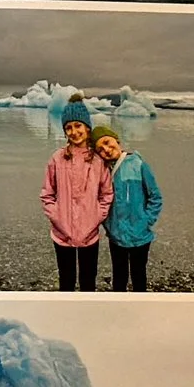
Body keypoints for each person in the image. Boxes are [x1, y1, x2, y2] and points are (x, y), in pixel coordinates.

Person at [40, 100, 112, 290]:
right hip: (62, 235)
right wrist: (57, 217)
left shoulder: (98, 161)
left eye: (78, 125)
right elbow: (47, 194)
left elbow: (106, 194)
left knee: (88, 280)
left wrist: (97, 216)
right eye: (69, 127)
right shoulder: (57, 158)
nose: (74, 131)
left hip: (90, 234)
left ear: (87, 128)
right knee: (66, 280)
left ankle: (86, 317)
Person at [95, 124, 162, 292]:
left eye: (108, 142)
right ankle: (119, 310)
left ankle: (139, 309)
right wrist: (109, 226)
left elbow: (155, 197)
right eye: (100, 149)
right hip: (117, 236)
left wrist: (146, 221)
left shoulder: (138, 164)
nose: (107, 149)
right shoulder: (103, 172)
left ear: (117, 141)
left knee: (139, 274)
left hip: (140, 235)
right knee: (119, 276)